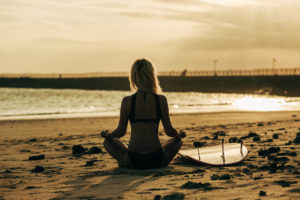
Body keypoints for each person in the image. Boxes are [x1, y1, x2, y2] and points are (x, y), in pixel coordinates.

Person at [101, 58, 186, 169]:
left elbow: (121, 132)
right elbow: (169, 131)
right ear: (152, 76)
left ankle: (124, 161)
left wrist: (108, 135)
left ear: (133, 77)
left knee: (108, 142)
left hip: (133, 160)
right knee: (177, 142)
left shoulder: (127, 101)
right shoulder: (161, 100)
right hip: (157, 159)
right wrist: (179, 134)